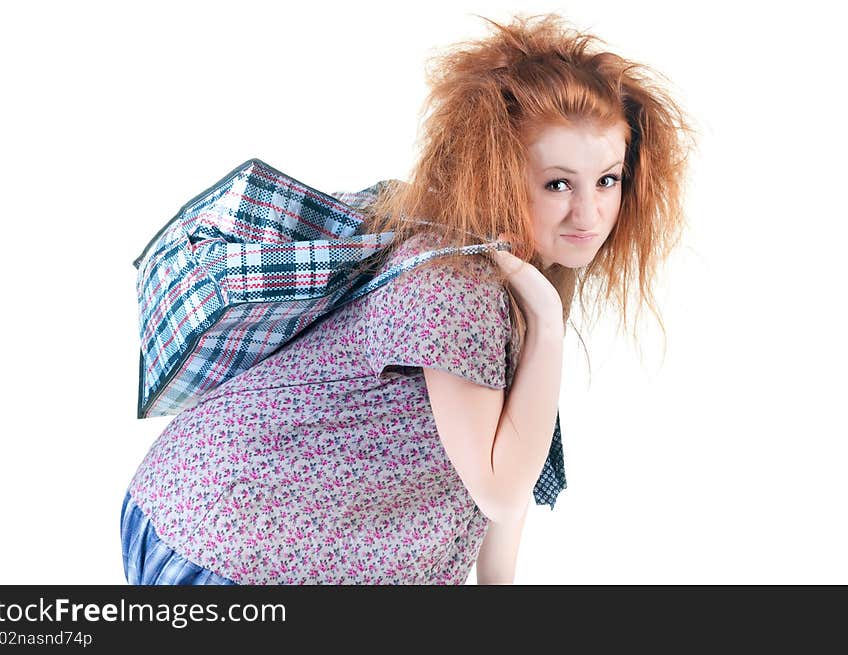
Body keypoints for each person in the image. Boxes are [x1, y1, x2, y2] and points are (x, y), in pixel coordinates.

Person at [120, 12, 696, 585]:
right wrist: (547, 320)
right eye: (557, 184)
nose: (589, 213)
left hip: (230, 520)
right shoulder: (457, 285)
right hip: (224, 537)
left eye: (607, 180)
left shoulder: (504, 273)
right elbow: (499, 489)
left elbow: (502, 481)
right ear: (496, 174)